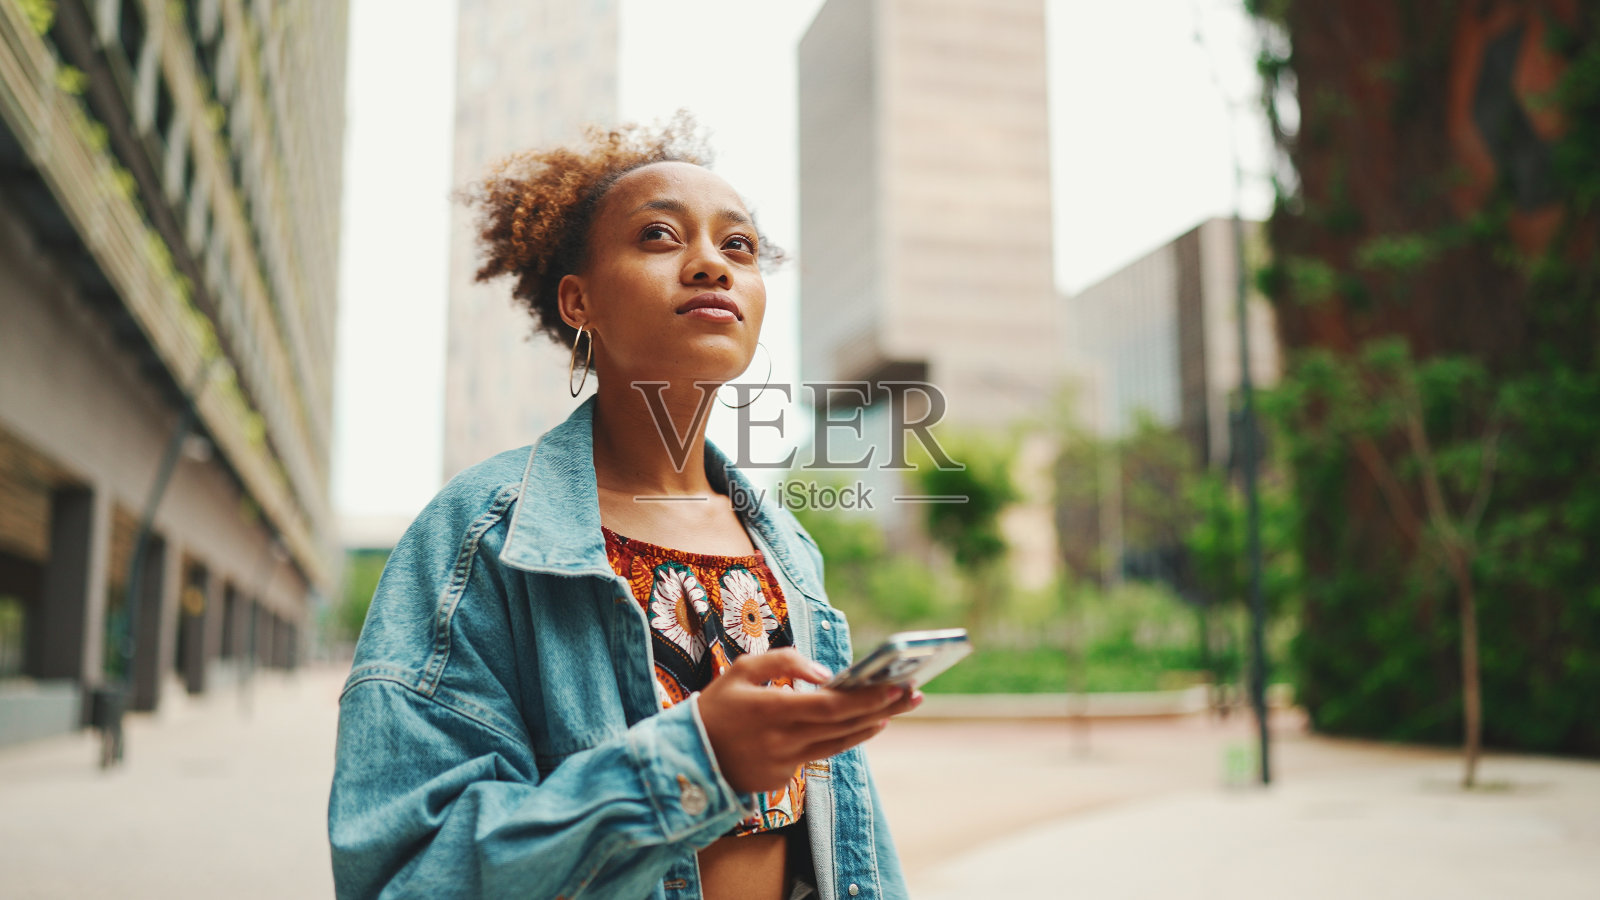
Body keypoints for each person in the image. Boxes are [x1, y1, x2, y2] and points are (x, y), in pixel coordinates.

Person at [327, 117, 919, 900]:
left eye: (738, 247)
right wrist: (696, 761)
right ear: (579, 300)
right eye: (660, 237)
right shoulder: (483, 534)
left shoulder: (786, 546)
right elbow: (411, 869)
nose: (711, 262)